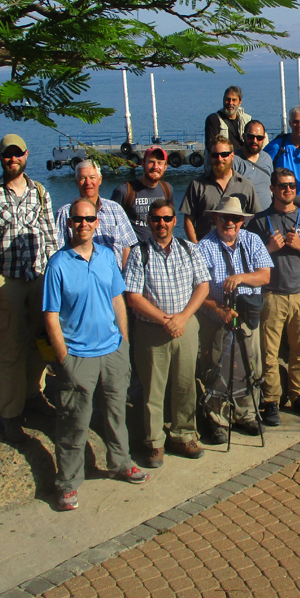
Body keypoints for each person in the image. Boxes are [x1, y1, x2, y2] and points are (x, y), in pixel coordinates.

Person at [43, 199, 150, 511]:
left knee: (117, 412)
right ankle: (68, 482)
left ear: (97, 223)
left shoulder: (106, 257)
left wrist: (124, 343)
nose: (84, 224)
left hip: (113, 350)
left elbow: (118, 301)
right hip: (78, 355)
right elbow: (51, 317)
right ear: (70, 223)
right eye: (78, 219)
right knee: (74, 421)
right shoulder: (57, 265)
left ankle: (120, 462)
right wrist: (64, 359)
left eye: (90, 219)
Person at [0, 134, 58, 442]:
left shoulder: (40, 191)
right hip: (6, 280)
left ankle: (35, 395)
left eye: (17, 154)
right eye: (7, 155)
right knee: (9, 349)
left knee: (40, 341)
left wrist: (53, 276)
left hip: (38, 278)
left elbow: (51, 237)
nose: (13, 159)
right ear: (0, 158)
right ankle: (9, 412)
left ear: (26, 154)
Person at [122, 200, 211, 468]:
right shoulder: (139, 254)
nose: (161, 223)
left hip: (185, 327)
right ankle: (154, 442)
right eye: (156, 219)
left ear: (174, 221)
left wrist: (182, 318)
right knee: (153, 390)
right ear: (149, 222)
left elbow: (203, 286)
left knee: (185, 385)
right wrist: (164, 320)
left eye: (167, 218)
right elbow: (133, 297)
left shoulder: (189, 249)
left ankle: (184, 434)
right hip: (151, 331)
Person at [246, 168, 300, 423]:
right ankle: (271, 401)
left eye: (291, 185)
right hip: (272, 295)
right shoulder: (258, 222)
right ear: (272, 189)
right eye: (282, 185)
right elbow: (247, 263)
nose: (287, 190)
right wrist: (269, 248)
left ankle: (298, 395)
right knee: (269, 353)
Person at [194, 198, 273, 444]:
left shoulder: (253, 241)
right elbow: (197, 290)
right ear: (215, 218)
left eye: (235, 219)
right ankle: (218, 420)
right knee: (217, 368)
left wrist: (239, 277)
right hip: (216, 317)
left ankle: (246, 413)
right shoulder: (203, 246)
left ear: (242, 221)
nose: (230, 223)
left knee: (250, 366)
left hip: (247, 316)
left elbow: (264, 276)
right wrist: (219, 310)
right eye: (224, 218)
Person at [54, 160, 136, 268]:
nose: (88, 183)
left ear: (100, 180)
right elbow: (58, 251)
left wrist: (123, 278)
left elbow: (127, 247)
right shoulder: (65, 213)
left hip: (114, 278)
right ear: (76, 181)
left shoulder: (115, 209)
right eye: (83, 178)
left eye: (92, 177)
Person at [180, 135, 259, 242]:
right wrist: (196, 249)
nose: (219, 159)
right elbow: (188, 221)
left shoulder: (246, 185)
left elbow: (257, 218)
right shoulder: (197, 185)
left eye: (224, 154)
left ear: (232, 156)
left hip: (237, 249)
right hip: (205, 250)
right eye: (215, 155)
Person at [111, 146, 174, 246]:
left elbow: (169, 222)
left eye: (160, 163)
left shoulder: (167, 189)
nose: (155, 167)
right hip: (133, 253)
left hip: (159, 251)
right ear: (143, 163)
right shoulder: (124, 191)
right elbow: (112, 227)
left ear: (165, 166)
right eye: (151, 162)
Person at [233, 120, 274, 210]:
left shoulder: (266, 158)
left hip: (265, 218)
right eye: (251, 137)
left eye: (259, 138)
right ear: (244, 137)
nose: (255, 141)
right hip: (244, 220)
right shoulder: (234, 160)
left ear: (263, 139)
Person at [204, 85, 255, 154]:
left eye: (234, 100)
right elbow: (211, 146)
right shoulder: (214, 120)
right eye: (227, 99)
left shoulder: (247, 120)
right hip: (223, 161)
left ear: (240, 102)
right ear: (223, 100)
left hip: (242, 161)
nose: (230, 103)